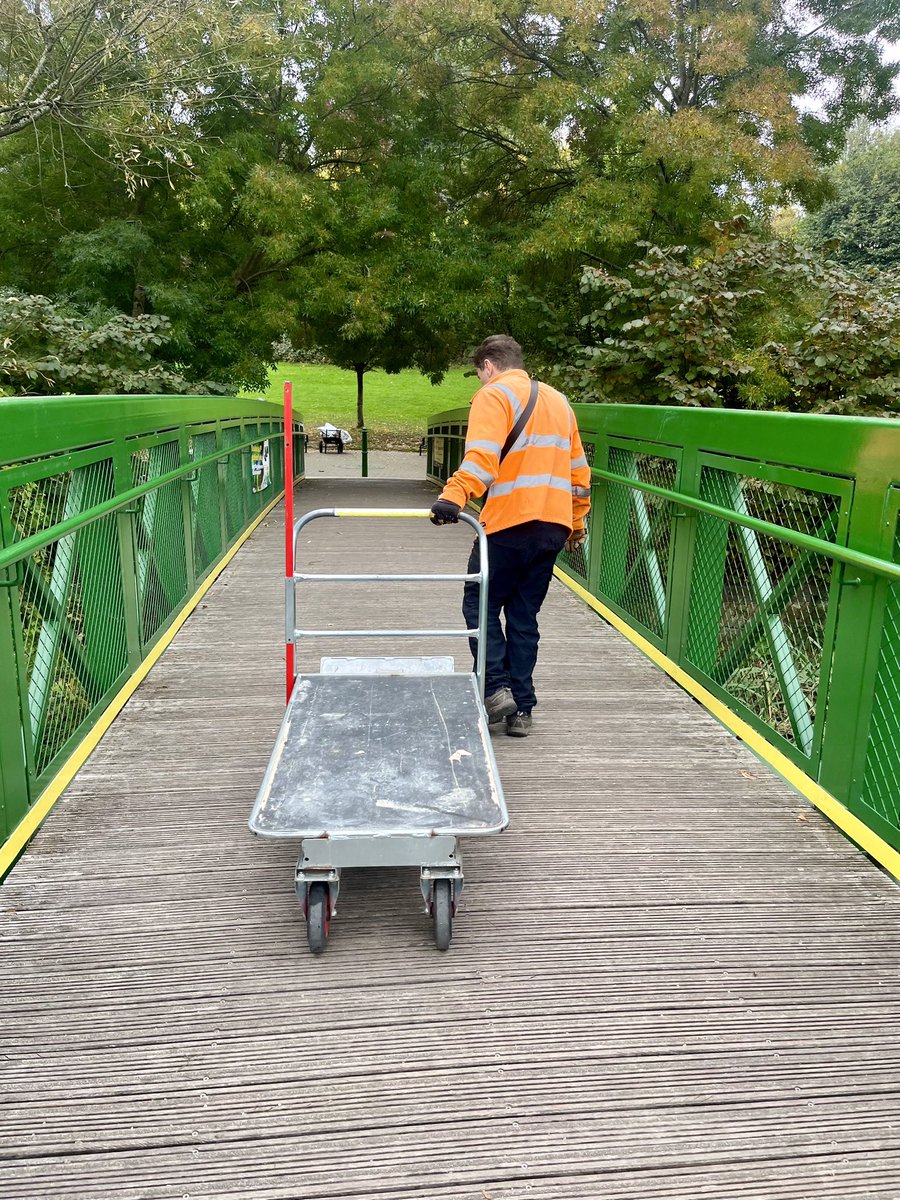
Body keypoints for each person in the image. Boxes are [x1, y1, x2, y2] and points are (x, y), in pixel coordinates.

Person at [430, 334, 591, 737]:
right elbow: (579, 474)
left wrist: (453, 496)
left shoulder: (494, 396)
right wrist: (576, 523)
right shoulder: (558, 401)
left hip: (509, 524)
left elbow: (481, 458)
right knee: (523, 616)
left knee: (479, 603)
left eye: (478, 374)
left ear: (487, 366)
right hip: (552, 527)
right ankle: (522, 710)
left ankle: (495, 688)